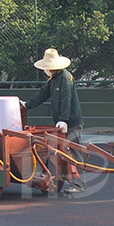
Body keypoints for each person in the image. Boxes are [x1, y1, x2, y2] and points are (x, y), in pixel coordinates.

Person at [24, 48, 85, 194]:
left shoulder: (64, 78)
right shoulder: (53, 79)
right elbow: (42, 94)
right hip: (62, 121)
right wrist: (27, 105)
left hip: (71, 122)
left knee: (74, 151)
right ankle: (61, 180)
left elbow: (66, 99)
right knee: (61, 152)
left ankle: (79, 184)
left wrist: (64, 120)